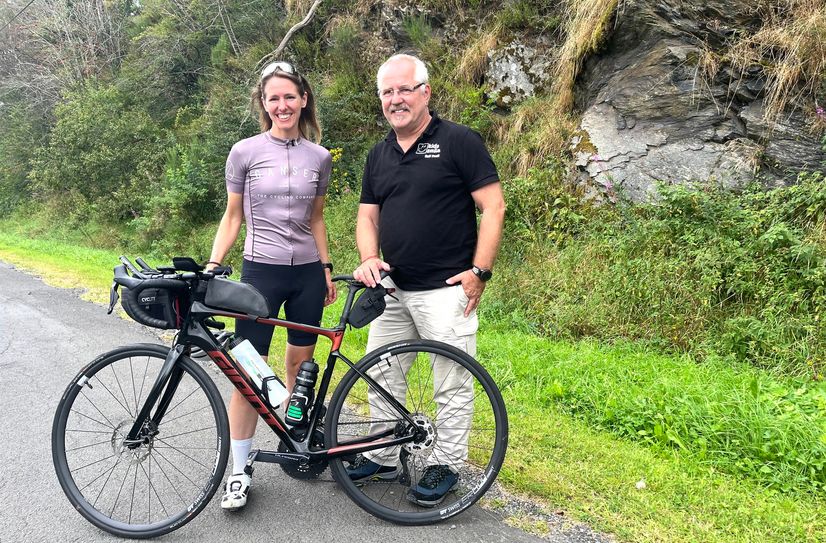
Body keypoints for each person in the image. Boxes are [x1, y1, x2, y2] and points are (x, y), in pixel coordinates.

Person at [348, 53, 505, 506]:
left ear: (425, 93)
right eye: (387, 92)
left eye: (404, 89)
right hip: (392, 289)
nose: (395, 99)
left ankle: (446, 464)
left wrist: (480, 272)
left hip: (446, 291)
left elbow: (493, 207)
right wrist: (369, 257)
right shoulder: (379, 154)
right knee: (382, 374)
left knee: (451, 381)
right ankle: (382, 455)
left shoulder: (458, 141)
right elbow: (367, 217)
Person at [206, 61, 337, 511]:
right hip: (260, 272)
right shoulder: (244, 151)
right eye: (273, 98)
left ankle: (294, 439)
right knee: (248, 371)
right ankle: (238, 471)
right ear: (263, 104)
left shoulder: (319, 157)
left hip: (306, 274)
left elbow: (316, 218)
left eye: (289, 97)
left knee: (300, 363)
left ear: (303, 100)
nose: (282, 105)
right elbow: (233, 216)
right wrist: (213, 264)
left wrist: (326, 267)